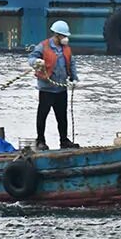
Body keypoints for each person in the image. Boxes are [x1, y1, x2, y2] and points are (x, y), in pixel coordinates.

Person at [28, 21, 78, 150]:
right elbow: (31, 58)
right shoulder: (43, 46)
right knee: (42, 115)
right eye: (63, 36)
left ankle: (64, 141)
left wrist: (74, 77)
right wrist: (36, 62)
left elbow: (71, 63)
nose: (65, 38)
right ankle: (40, 141)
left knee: (62, 117)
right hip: (47, 89)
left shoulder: (66, 49)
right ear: (56, 35)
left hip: (61, 88)